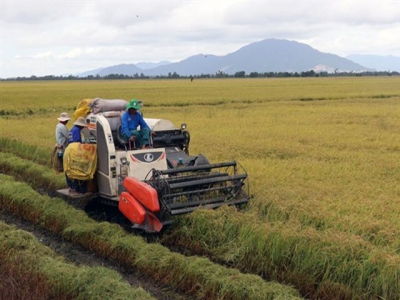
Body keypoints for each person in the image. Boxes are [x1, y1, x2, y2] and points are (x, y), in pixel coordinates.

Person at [66, 116, 88, 194]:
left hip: (70, 152)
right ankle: (81, 190)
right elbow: (77, 143)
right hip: (75, 153)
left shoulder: (72, 129)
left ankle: (75, 188)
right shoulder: (77, 130)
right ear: (81, 125)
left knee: (73, 171)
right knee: (79, 171)